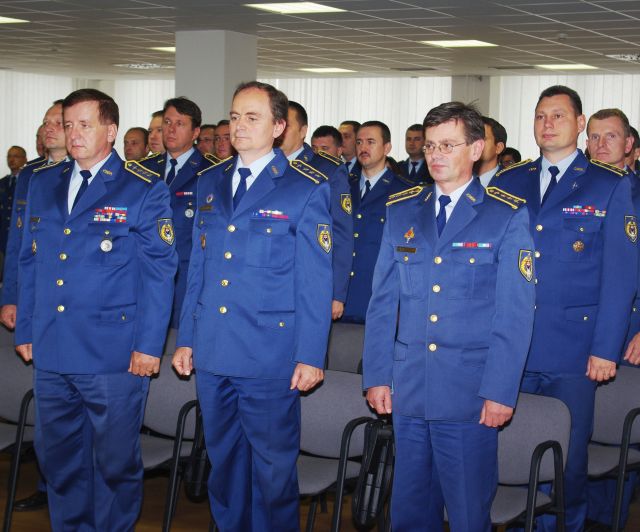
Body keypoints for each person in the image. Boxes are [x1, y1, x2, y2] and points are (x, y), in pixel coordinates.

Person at [363, 101, 535, 531]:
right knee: (409, 511)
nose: (435, 155)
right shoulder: (402, 209)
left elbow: (514, 314)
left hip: (469, 393)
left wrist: (500, 391)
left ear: (476, 149)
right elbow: (382, 303)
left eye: (448, 145)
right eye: (430, 145)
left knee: (466, 513)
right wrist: (377, 375)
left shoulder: (505, 214)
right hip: (409, 388)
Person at [14, 88, 177, 531]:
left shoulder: (141, 188)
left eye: (85, 125)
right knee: (59, 460)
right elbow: (30, 260)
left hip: (113, 352)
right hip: (53, 345)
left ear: (110, 130)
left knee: (113, 463)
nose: (74, 134)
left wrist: (149, 346)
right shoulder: (43, 183)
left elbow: (159, 273)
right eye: (68, 125)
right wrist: (26, 328)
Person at [173, 81, 332, 532]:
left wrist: (310, 355)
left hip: (269, 353)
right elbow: (199, 268)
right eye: (235, 116)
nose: (239, 126)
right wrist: (187, 338)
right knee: (224, 464)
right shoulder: (210, 181)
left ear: (279, 127)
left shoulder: (304, 187)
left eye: (252, 117)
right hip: (214, 348)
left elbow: (315, 281)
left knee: (272, 470)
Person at [490, 85, 637, 532]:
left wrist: (605, 349)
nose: (548, 124)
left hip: (573, 348)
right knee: (510, 452)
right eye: (540, 116)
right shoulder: (508, 181)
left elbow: (621, 277)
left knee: (567, 459)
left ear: (579, 123)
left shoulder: (608, 184)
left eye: (558, 116)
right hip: (512, 346)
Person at [1, 100, 68, 512]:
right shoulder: (31, 175)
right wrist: (10, 296)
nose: (50, 129)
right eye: (46, 123)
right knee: (48, 407)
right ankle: (48, 486)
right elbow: (18, 242)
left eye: (57, 122)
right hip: (37, 300)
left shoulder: (83, 175)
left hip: (69, 306)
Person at [584, 108, 638, 530]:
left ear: (630, 145)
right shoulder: (578, 189)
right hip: (585, 329)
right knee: (581, 432)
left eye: (611, 137)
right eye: (594, 137)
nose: (601, 145)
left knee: (620, 434)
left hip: (631, 333)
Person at [140, 97, 212, 327]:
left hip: (187, 278)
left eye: (180, 124)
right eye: (167, 122)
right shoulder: (143, 171)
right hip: (145, 276)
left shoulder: (211, 173)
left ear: (195, 132)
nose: (170, 130)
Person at [280, 100, 353, 320]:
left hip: (310, 279)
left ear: (303, 131)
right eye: (276, 123)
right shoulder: (264, 166)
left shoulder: (327, 169)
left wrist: (337, 292)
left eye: (287, 125)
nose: (280, 131)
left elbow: (341, 232)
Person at [342, 120, 405, 323]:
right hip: (341, 299)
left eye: (371, 142)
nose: (363, 147)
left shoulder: (404, 192)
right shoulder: (343, 187)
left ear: (387, 148)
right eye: (359, 142)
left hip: (381, 298)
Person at [0, 146, 27, 259]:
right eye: (9, 156)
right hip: (3, 239)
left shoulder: (29, 182)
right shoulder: (2, 183)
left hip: (21, 238)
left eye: (16, 156)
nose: (11, 160)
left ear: (25, 159)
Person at [475, 116, 507, 187]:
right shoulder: (457, 179)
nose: (475, 143)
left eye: (482, 138)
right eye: (472, 138)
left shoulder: (511, 183)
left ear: (498, 148)